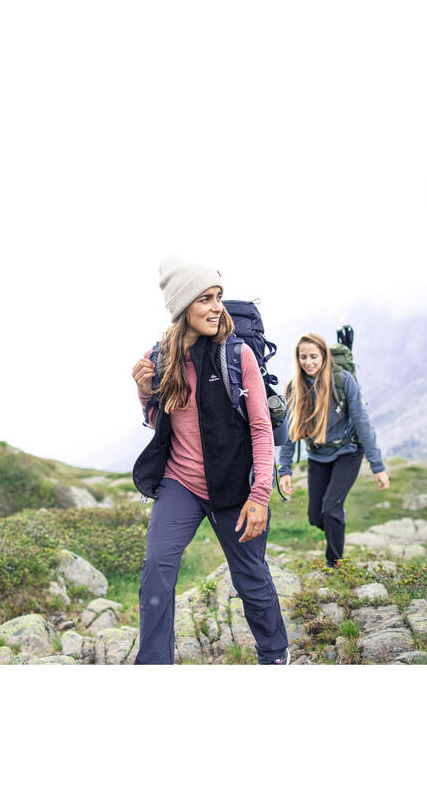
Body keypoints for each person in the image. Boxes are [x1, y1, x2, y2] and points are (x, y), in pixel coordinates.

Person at [131, 256, 289, 665]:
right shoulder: (160, 357)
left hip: (236, 487)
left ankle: (275, 656)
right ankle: (152, 665)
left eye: (218, 296)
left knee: (250, 578)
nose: (217, 306)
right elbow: (159, 424)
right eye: (205, 298)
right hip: (180, 484)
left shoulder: (238, 356)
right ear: (183, 307)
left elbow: (260, 429)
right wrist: (146, 391)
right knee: (156, 571)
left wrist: (259, 495)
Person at [278, 332, 390, 568]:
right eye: (303, 357)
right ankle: (335, 516)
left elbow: (362, 421)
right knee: (316, 516)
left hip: (348, 452)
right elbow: (290, 431)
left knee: (330, 509)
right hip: (318, 455)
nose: (308, 362)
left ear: (324, 356)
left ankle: (335, 564)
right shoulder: (294, 388)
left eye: (314, 356)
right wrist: (284, 470)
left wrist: (377, 466)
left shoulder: (343, 380)